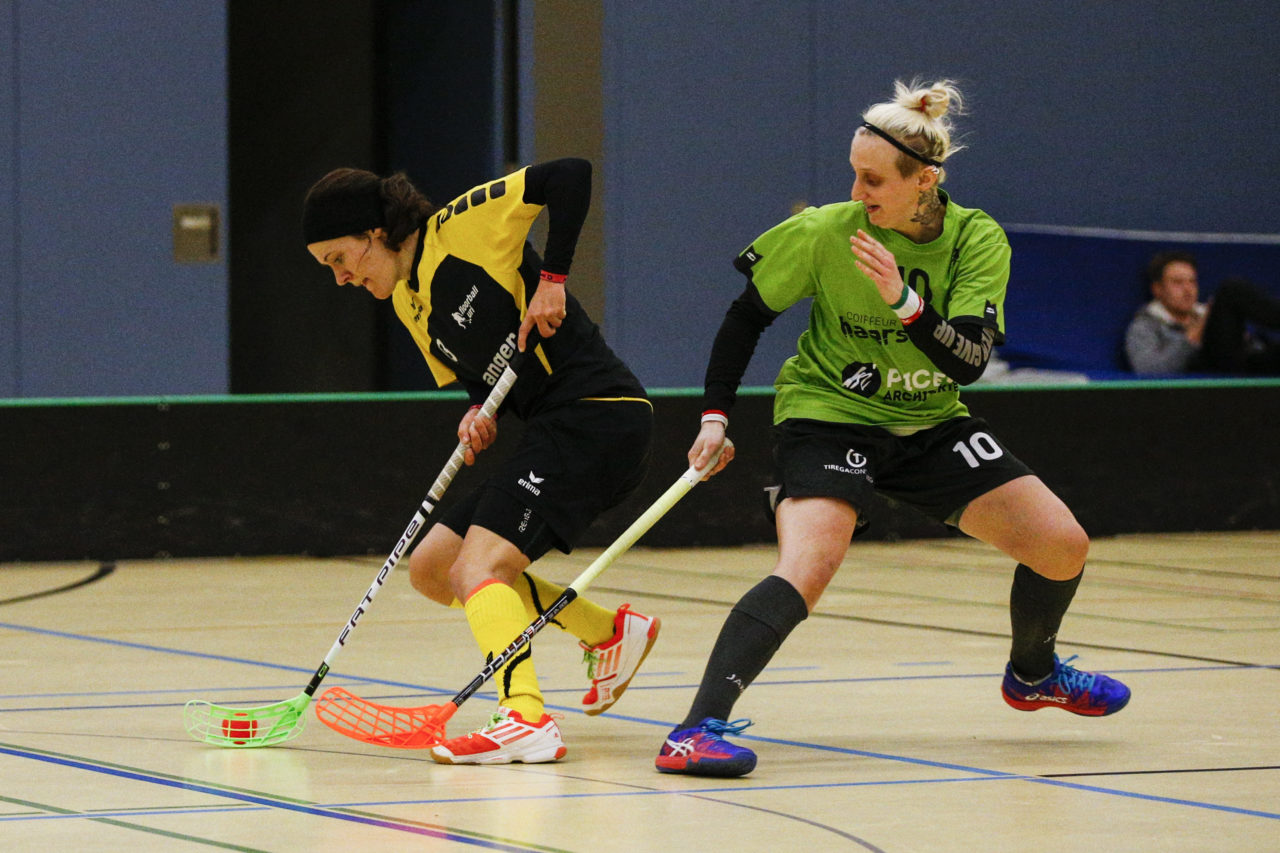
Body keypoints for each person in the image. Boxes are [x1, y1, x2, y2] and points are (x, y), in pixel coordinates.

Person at [654, 80, 1131, 778]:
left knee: (1062, 545)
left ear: (924, 181)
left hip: (930, 419)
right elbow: (746, 314)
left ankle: (1033, 672)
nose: (858, 190)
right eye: (854, 173)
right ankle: (694, 729)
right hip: (827, 412)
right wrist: (715, 414)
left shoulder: (977, 238)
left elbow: (967, 361)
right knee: (809, 565)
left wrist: (905, 302)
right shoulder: (829, 230)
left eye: (873, 179)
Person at [302, 158, 658, 765]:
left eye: (340, 258)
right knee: (436, 567)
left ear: (374, 233)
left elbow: (570, 174)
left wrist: (553, 278)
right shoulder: (407, 304)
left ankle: (525, 717)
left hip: (598, 415)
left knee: (479, 568)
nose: (340, 278)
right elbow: (481, 373)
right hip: (553, 426)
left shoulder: (460, 228)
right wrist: (477, 409)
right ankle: (607, 631)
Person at [1124, 250, 1280, 375]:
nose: (1188, 290)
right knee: (1231, 290)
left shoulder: (1204, 311)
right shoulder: (1145, 325)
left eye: (1192, 282)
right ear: (1157, 289)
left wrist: (1243, 338)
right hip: (1206, 373)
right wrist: (1194, 333)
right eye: (1178, 283)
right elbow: (1148, 370)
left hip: (1244, 364)